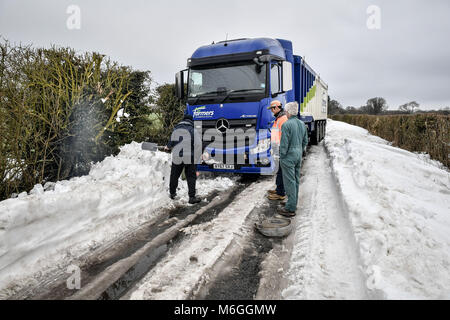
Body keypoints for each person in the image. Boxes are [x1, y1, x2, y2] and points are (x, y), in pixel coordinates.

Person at [277, 101, 308, 217]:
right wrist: (300, 150)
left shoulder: (286, 125)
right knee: (295, 180)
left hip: (288, 156)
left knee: (289, 181)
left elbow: (284, 143)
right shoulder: (301, 124)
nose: (285, 113)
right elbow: (305, 141)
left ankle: (290, 208)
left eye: (286, 111)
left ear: (289, 112)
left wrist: (282, 155)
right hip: (298, 155)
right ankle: (292, 202)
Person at [166, 114, 202, 204]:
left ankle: (172, 193)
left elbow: (171, 142)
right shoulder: (193, 130)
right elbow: (198, 144)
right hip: (190, 156)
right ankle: (192, 197)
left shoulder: (176, 129)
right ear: (191, 121)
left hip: (177, 156)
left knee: (174, 175)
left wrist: (168, 146)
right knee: (191, 176)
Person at [266, 100, 288, 201]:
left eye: (272, 109)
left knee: (281, 171)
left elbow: (284, 136)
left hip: (280, 149)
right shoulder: (278, 118)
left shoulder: (282, 119)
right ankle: (279, 189)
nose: (271, 111)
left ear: (276, 108)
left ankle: (280, 193)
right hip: (277, 148)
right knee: (279, 170)